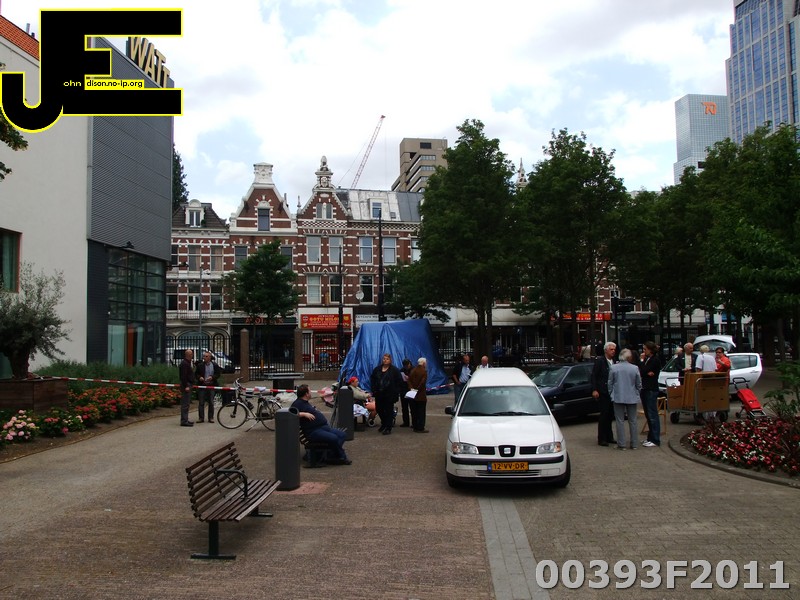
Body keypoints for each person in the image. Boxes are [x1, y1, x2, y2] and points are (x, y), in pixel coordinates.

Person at [291, 384, 351, 465]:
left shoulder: (305, 402)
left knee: (342, 435)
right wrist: (303, 414)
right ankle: (341, 457)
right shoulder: (297, 403)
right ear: (306, 394)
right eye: (309, 391)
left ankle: (330, 455)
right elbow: (290, 413)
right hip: (313, 431)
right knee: (334, 438)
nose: (311, 392)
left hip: (323, 427)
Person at [609, 348, 642, 450]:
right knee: (633, 421)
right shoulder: (635, 368)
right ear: (628, 357)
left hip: (618, 396)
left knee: (619, 421)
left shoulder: (613, 368)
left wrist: (611, 394)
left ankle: (622, 444)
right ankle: (634, 444)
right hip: (632, 396)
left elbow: (610, 383)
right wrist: (637, 392)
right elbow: (639, 383)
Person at [369, 353, 405, 435]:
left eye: (387, 359)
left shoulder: (394, 370)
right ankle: (384, 423)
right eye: (384, 359)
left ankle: (388, 427)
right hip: (379, 393)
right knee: (379, 409)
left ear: (390, 360)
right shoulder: (377, 369)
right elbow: (373, 379)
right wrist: (374, 389)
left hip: (389, 394)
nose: (385, 360)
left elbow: (399, 382)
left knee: (388, 411)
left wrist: (396, 391)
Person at [591, 342, 616, 446]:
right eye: (611, 349)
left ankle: (609, 436)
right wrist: (594, 389)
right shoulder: (600, 361)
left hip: (612, 392)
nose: (613, 351)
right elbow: (594, 375)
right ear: (606, 350)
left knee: (610, 415)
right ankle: (602, 438)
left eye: (614, 349)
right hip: (603, 391)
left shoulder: (614, 361)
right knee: (604, 415)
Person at [639, 341, 662, 448]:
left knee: (652, 414)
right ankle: (650, 437)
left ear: (650, 350)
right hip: (645, 388)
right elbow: (643, 371)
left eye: (645, 349)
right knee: (648, 414)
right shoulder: (648, 359)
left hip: (651, 389)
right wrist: (645, 372)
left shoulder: (654, 360)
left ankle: (655, 439)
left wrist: (642, 364)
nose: (644, 351)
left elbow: (643, 370)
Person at [195, 351, 221, 423]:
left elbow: (218, 374)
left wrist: (212, 377)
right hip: (202, 385)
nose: (204, 358)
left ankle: (211, 417)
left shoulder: (214, 365)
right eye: (204, 356)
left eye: (206, 356)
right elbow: (196, 374)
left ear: (210, 357)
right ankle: (201, 418)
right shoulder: (200, 365)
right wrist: (199, 377)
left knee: (211, 402)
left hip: (211, 385)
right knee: (201, 402)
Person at [407, 357, 429, 433]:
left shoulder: (413, 370)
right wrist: (417, 389)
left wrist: (411, 389)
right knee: (421, 411)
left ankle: (415, 426)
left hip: (412, 394)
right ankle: (420, 427)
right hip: (420, 395)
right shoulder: (424, 372)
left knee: (414, 411)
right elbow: (422, 383)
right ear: (424, 363)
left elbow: (408, 380)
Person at [178, 349, 195, 427]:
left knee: (187, 403)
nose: (192, 356)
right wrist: (186, 386)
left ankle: (185, 419)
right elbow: (183, 376)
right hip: (186, 384)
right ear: (189, 355)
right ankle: (184, 421)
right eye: (191, 354)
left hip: (188, 383)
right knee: (185, 404)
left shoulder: (187, 363)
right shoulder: (185, 364)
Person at [399, 358, 414, 428]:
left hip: (411, 390)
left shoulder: (413, 370)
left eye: (407, 365)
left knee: (412, 407)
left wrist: (409, 378)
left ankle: (414, 422)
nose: (406, 366)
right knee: (404, 407)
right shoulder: (402, 370)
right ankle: (406, 422)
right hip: (403, 390)